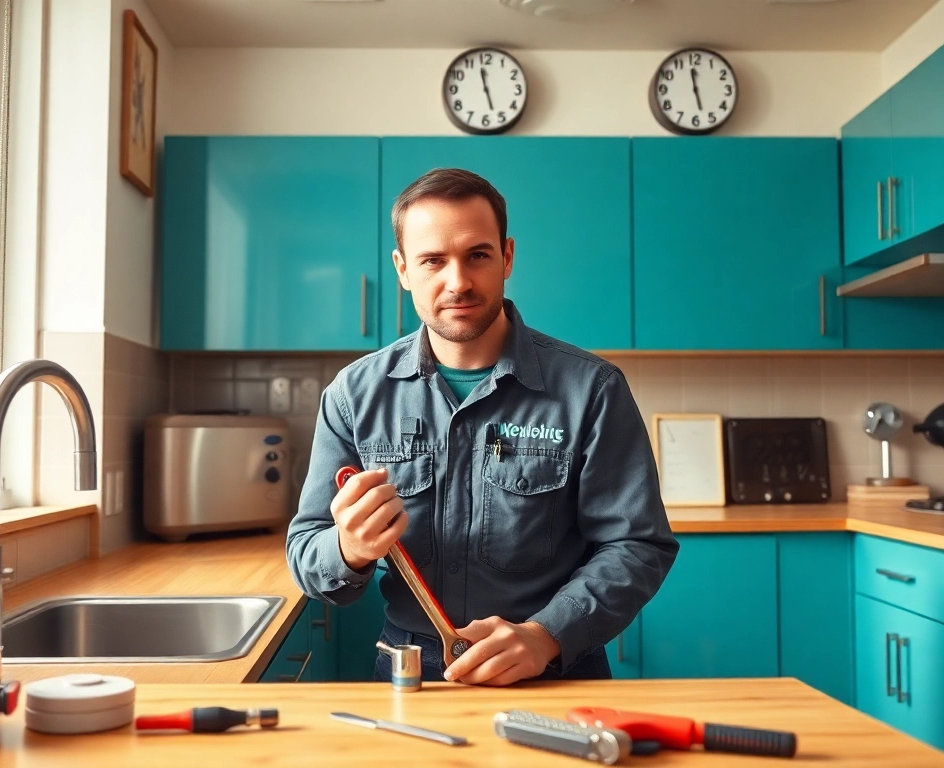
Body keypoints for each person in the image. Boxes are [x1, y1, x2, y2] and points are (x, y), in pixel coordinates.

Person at [286, 168, 678, 685]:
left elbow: (638, 546)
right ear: (402, 269)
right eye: (433, 260)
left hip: (554, 671)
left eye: (477, 255)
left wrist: (547, 634)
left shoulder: (593, 389)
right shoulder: (353, 396)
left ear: (507, 257)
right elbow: (307, 551)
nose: (458, 282)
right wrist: (349, 549)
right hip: (410, 675)